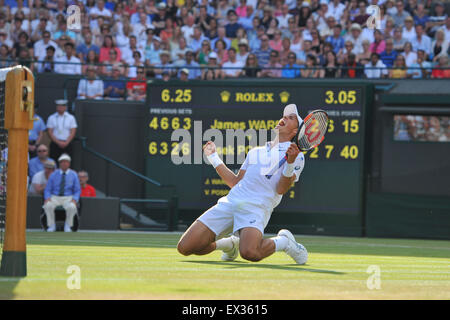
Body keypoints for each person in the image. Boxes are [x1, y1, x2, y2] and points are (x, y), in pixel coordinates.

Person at [177, 104, 308, 265]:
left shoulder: (298, 156)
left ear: (296, 131)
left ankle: (284, 242)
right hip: (231, 202)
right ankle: (229, 245)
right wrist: (213, 158)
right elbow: (235, 182)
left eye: (291, 118)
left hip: (256, 207)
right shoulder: (256, 151)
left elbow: (281, 189)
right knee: (185, 247)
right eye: (284, 116)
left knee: (249, 252)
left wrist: (290, 163)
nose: (284, 118)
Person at [43, 153, 81, 232]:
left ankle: (68, 226)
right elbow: (47, 189)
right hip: (55, 197)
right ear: (59, 163)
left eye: (66, 162)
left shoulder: (74, 174)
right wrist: (47, 198)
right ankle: (51, 225)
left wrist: (75, 199)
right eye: (62, 162)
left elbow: (77, 190)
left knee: (72, 206)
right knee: (48, 205)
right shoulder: (53, 174)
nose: (64, 163)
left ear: (69, 163)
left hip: (68, 197)